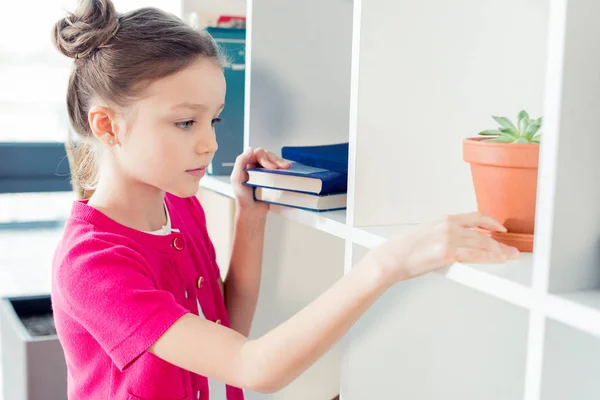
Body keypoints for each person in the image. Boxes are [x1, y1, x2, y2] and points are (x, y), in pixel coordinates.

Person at [49, 1, 520, 399]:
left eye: (214, 120)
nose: (210, 144)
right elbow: (251, 366)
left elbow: (227, 327)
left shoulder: (178, 206)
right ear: (108, 126)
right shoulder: (93, 264)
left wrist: (250, 219)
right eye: (185, 122)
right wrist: (388, 262)